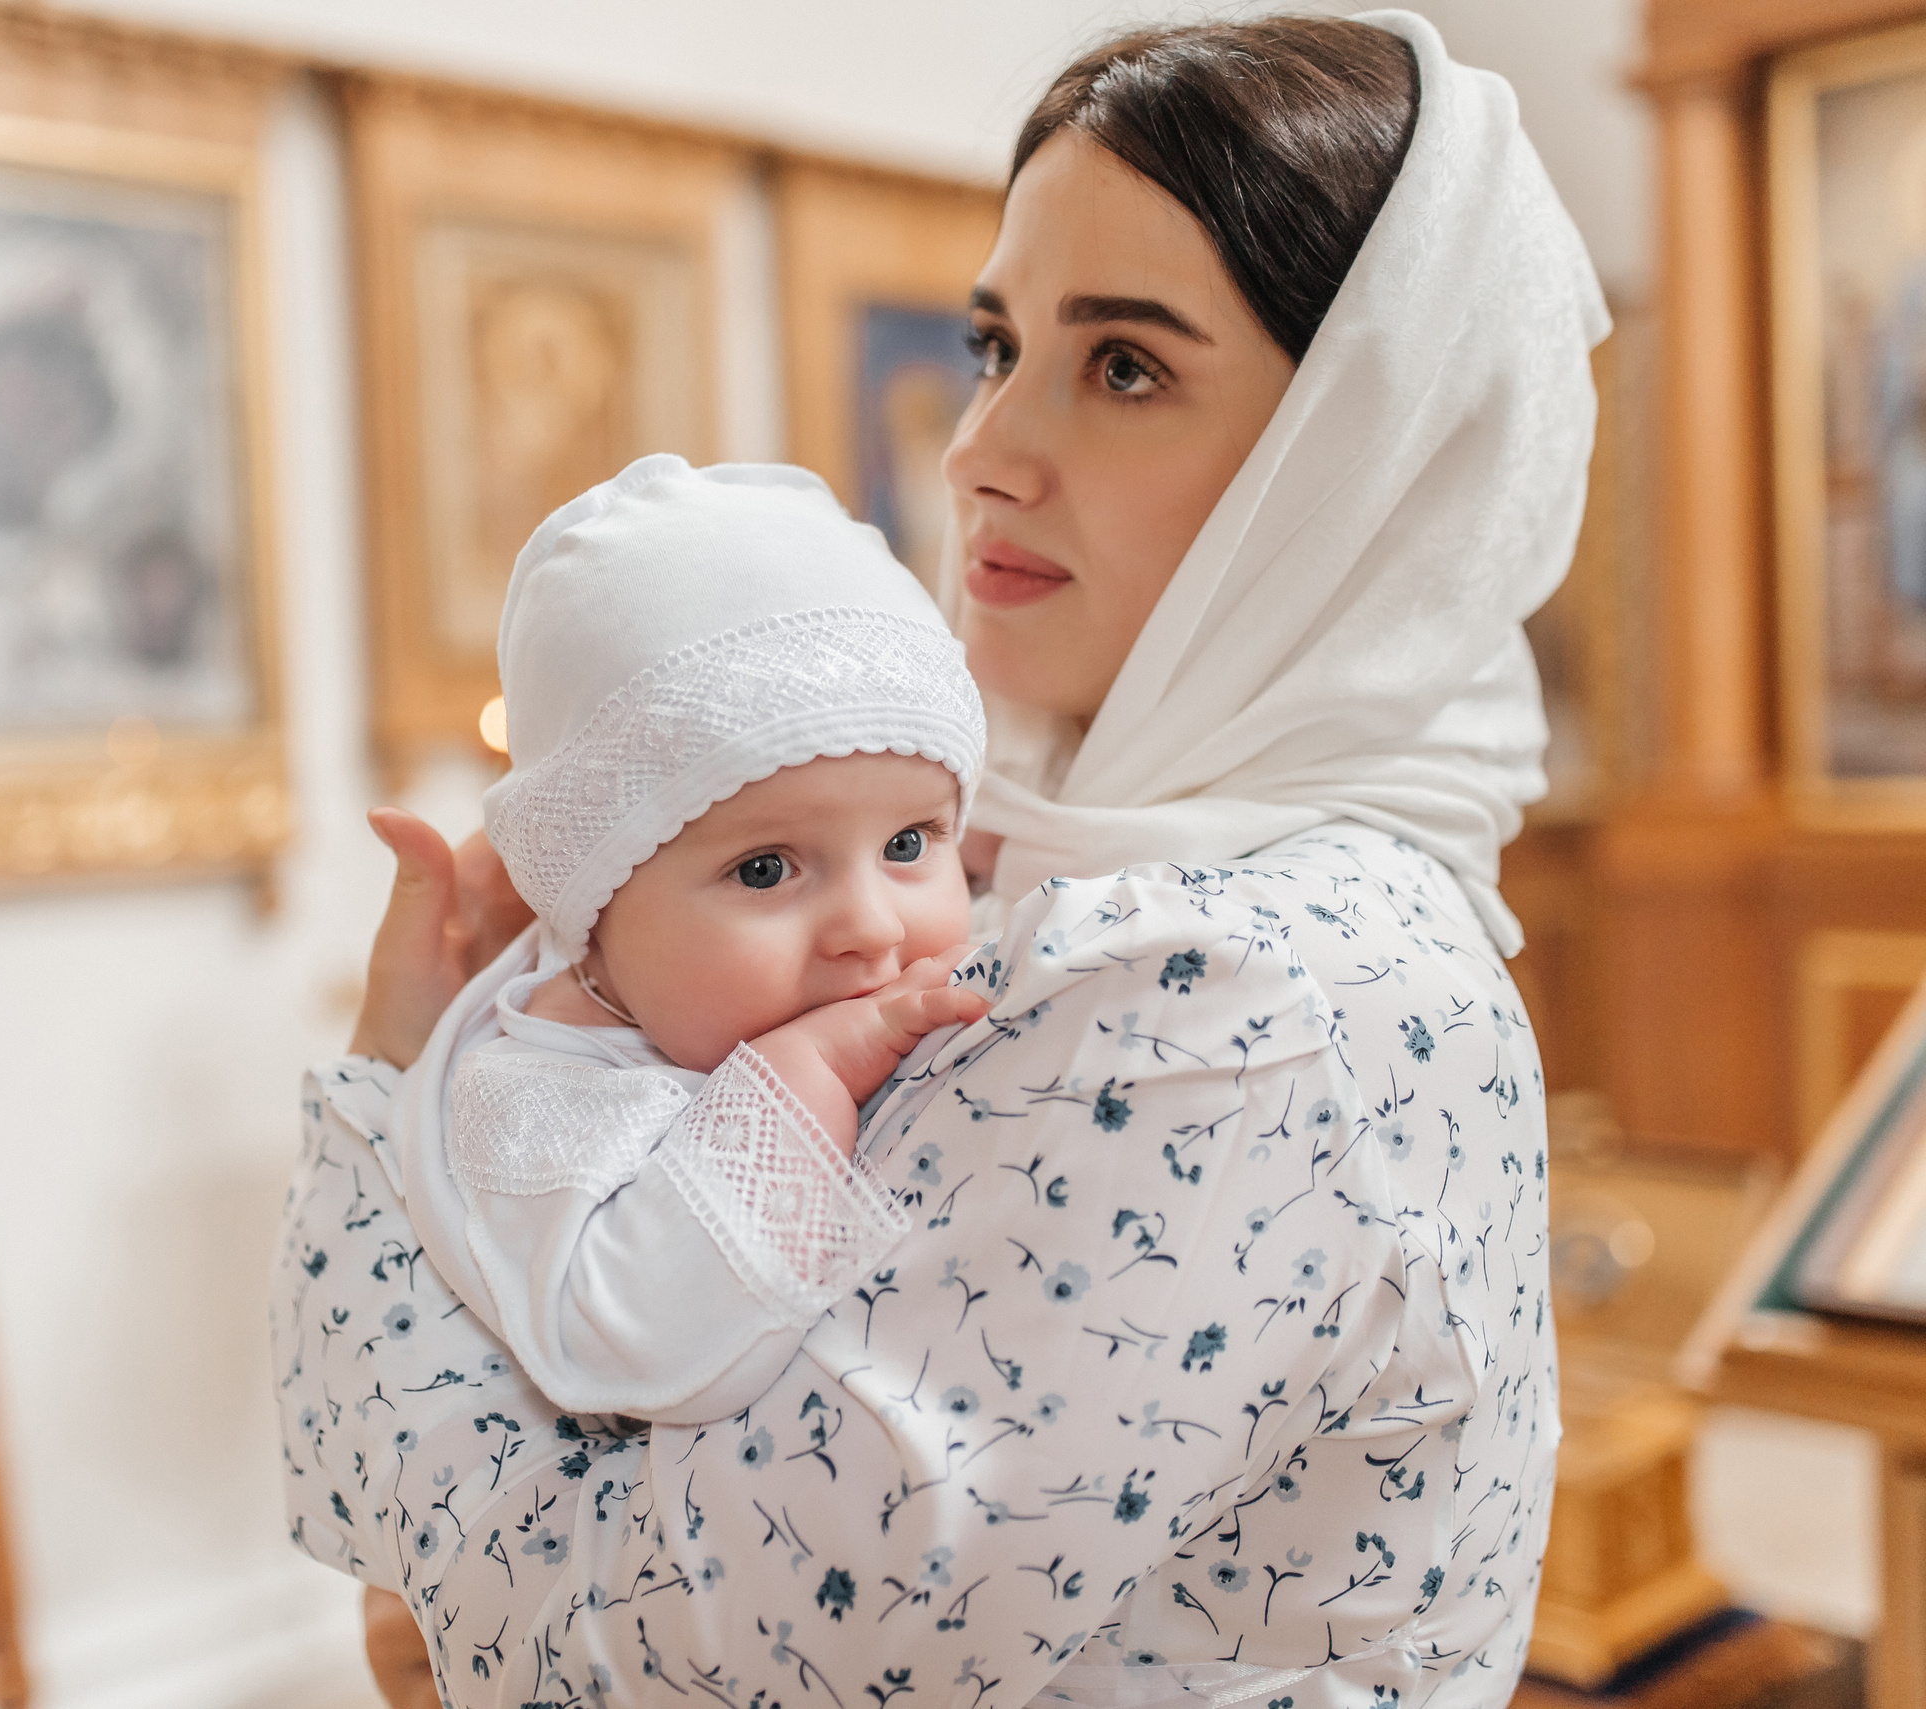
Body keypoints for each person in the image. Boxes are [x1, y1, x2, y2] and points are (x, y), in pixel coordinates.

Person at [273, 12, 1602, 1707]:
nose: (981, 448)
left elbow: (626, 1661)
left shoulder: (1234, 994)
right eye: (998, 344)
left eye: (1125, 366)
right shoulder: (1060, 860)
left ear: (1360, 451)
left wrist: (391, 1098)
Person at [387, 454, 991, 1425]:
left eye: (909, 844)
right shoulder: (536, 1090)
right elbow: (640, 1351)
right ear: (592, 920)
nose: (874, 927)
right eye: (765, 869)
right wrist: (806, 1070)